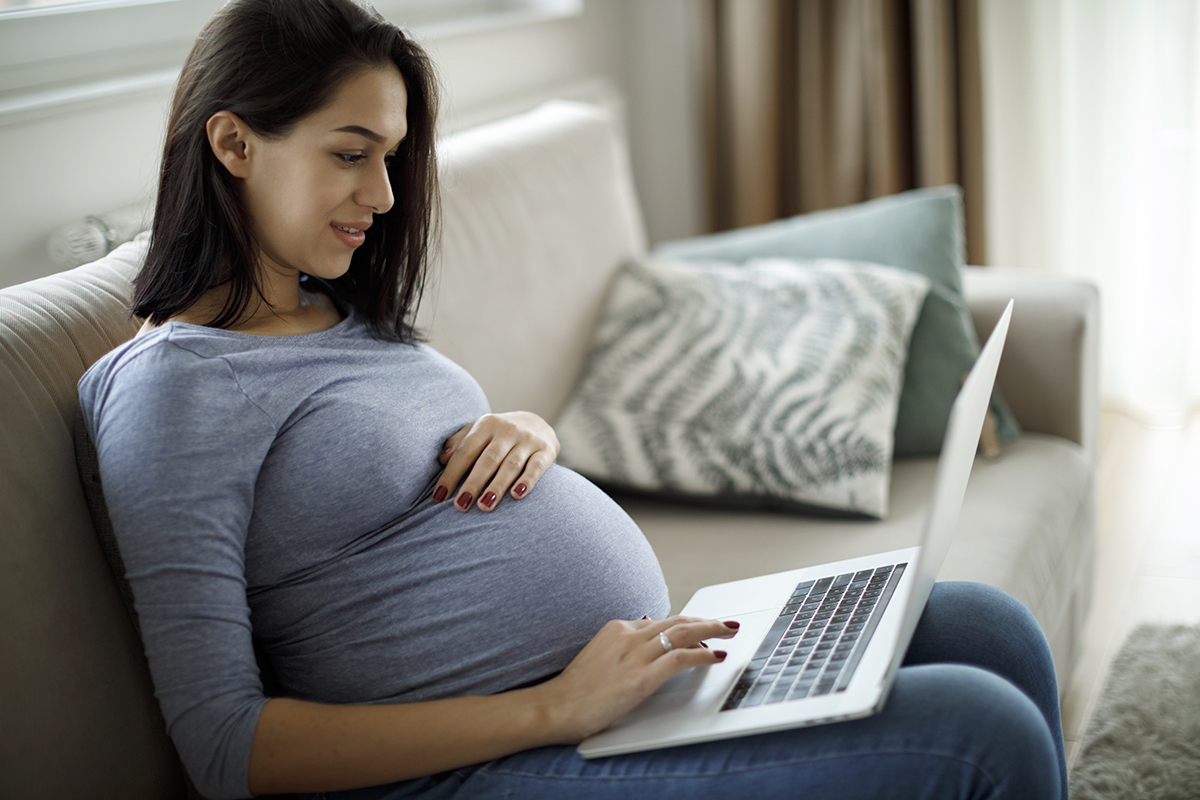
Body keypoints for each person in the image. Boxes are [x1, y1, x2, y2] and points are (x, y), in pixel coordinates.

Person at [78, 1, 1068, 798]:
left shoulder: (338, 307)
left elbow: (406, 471)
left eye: (391, 155)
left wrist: (528, 426)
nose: (382, 196)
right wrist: (557, 708)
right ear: (234, 143)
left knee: (987, 627)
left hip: (614, 685)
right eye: (350, 152)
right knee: (981, 734)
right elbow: (226, 747)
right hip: (486, 759)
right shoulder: (173, 394)